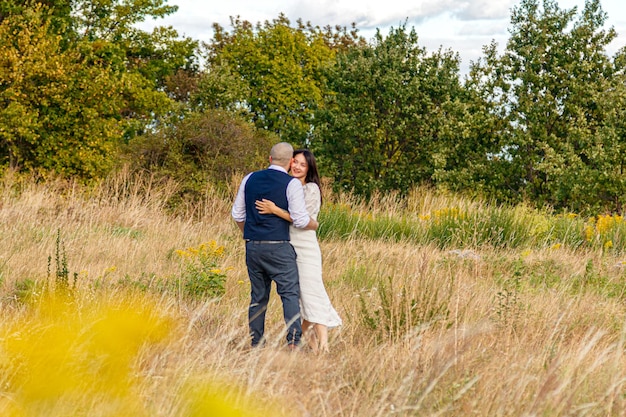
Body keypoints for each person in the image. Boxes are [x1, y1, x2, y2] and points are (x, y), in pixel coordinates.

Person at [231, 142, 319, 349]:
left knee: (258, 297)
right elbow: (299, 219)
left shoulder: (249, 178)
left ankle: (256, 342)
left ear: (269, 159)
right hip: (279, 246)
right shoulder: (291, 184)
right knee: (289, 294)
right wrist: (313, 223)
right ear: (290, 162)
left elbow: (237, 214)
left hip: (253, 246)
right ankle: (293, 342)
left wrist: (249, 233)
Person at [256, 149, 342, 353]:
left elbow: (303, 220)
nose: (297, 167)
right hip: (287, 246)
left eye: (303, 165)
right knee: (299, 298)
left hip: (305, 246)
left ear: (309, 169)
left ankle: (324, 346)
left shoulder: (310, 189)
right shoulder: (286, 186)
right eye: (295, 162)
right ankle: (311, 346)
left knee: (313, 293)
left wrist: (275, 210)